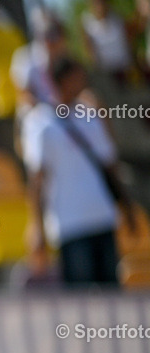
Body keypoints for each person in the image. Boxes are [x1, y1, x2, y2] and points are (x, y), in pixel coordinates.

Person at [23, 58, 136, 287]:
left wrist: (126, 208)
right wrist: (37, 227)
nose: (83, 83)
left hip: (102, 217)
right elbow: (37, 180)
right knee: (82, 304)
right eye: (77, 78)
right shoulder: (39, 123)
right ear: (61, 81)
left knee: (111, 297)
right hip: (70, 226)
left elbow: (109, 164)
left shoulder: (90, 116)